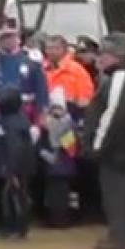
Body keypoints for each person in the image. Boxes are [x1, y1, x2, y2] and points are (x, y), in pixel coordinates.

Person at [0, 25, 49, 220]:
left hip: (23, 116)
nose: (7, 41)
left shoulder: (31, 61)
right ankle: (1, 213)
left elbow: (42, 92)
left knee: (21, 167)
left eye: (10, 37)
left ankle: (22, 213)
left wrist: (39, 122)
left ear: (18, 39)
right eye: (3, 38)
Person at [85, 33, 125, 249]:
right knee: (123, 191)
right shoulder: (120, 75)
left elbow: (112, 114)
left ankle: (119, 238)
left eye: (105, 54)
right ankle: (122, 234)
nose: (99, 58)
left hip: (115, 147)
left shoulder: (120, 77)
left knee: (116, 193)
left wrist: (97, 144)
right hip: (122, 145)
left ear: (117, 56)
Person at [0, 86, 35, 239]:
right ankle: (19, 227)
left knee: (12, 196)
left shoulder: (10, 122)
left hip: (17, 165)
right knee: (18, 195)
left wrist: (12, 171)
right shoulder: (20, 118)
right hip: (24, 163)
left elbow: (14, 147)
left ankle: (15, 227)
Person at [39, 87, 79, 228]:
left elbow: (71, 148)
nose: (56, 111)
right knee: (52, 195)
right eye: (54, 108)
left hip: (63, 167)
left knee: (63, 195)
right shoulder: (46, 125)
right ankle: (54, 218)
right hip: (52, 167)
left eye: (59, 108)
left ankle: (63, 219)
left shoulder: (67, 124)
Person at [43, 36, 96, 109]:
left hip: (69, 114)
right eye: (49, 48)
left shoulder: (77, 70)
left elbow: (86, 99)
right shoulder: (41, 68)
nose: (51, 51)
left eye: (56, 48)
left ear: (65, 50)